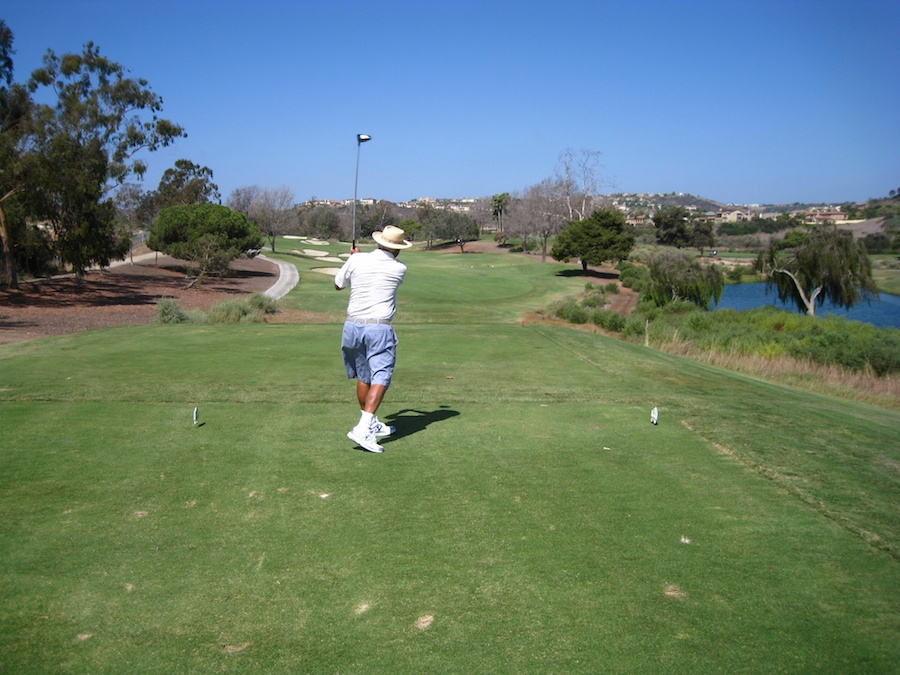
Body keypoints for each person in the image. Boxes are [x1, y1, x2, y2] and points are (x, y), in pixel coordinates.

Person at [334, 225, 412, 453]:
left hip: (351, 326)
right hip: (378, 329)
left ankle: (369, 421)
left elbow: (338, 285)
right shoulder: (400, 268)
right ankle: (363, 428)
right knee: (381, 375)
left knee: (364, 376)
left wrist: (352, 260)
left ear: (379, 242)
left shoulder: (357, 260)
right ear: (397, 249)